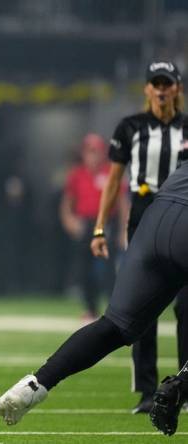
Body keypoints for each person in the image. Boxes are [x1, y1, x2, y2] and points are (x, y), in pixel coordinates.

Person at [0, 63, 188, 433]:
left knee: (114, 325)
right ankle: (179, 386)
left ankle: (37, 383)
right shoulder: (136, 127)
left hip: (154, 218)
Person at [89, 60, 188, 414]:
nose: (161, 89)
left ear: (177, 88)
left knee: (187, 307)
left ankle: (183, 386)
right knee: (140, 309)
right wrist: (100, 228)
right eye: (155, 83)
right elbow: (114, 181)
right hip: (145, 217)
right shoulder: (130, 127)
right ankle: (147, 391)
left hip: (184, 218)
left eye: (167, 83)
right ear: (147, 88)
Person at [60, 134, 126, 320]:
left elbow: (122, 203)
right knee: (83, 268)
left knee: (108, 267)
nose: (93, 156)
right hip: (85, 223)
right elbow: (67, 202)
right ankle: (90, 309)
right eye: (89, 152)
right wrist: (70, 221)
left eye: (95, 152)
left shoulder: (111, 172)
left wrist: (123, 230)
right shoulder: (77, 174)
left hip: (105, 223)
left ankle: (114, 309)